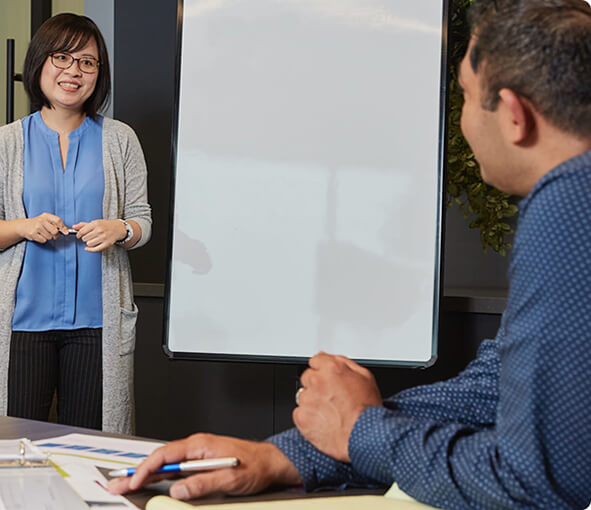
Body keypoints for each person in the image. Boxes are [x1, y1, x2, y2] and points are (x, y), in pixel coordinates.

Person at [109, 0, 591, 507]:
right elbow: (495, 389)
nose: (463, 123)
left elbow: (534, 481)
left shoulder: (568, 203)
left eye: (466, 98)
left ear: (514, 115)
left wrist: (363, 429)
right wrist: (293, 455)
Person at [0, 13, 151, 434]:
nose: (73, 71)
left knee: (92, 448)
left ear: (98, 73)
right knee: (15, 443)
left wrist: (120, 229)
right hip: (21, 324)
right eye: (62, 57)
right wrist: (23, 227)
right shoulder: (7, 141)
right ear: (39, 64)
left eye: (87, 62)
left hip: (98, 323)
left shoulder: (120, 139)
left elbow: (142, 221)